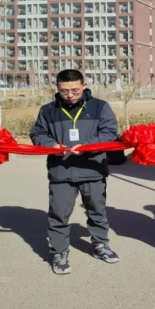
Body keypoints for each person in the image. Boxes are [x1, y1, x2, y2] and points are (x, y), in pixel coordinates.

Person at [30, 69, 120, 275]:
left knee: (97, 210)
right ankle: (59, 252)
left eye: (75, 90)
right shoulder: (48, 110)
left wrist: (87, 146)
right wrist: (51, 144)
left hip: (93, 169)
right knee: (59, 214)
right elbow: (37, 133)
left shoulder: (100, 107)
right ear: (57, 89)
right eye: (64, 91)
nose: (69, 95)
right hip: (61, 171)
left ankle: (100, 244)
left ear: (84, 86)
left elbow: (109, 133)